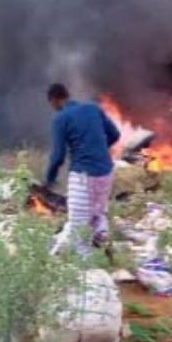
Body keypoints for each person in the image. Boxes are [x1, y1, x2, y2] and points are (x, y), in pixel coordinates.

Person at [42, 83, 121, 258]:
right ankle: (106, 249)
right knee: (97, 215)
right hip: (106, 171)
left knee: (78, 227)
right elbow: (115, 134)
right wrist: (97, 148)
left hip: (83, 176)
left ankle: (87, 269)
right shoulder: (93, 108)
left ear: (53, 100)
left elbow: (58, 156)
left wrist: (48, 180)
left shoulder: (60, 118)